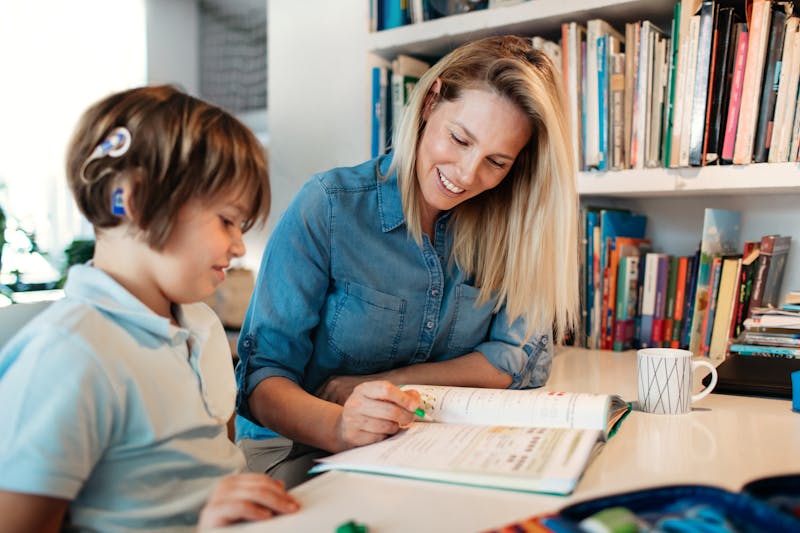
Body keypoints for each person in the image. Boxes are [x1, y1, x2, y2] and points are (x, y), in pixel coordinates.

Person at [235, 35, 579, 487]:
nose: (466, 175)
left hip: (428, 440)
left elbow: (513, 359)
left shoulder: (510, 226)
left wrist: (392, 382)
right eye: (459, 139)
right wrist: (339, 425)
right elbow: (261, 380)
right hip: (304, 445)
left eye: (496, 162)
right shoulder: (330, 207)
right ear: (429, 101)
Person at [0, 85, 300, 532]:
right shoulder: (69, 355)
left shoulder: (202, 325)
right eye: (226, 220)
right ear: (138, 202)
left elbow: (222, 467)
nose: (238, 246)